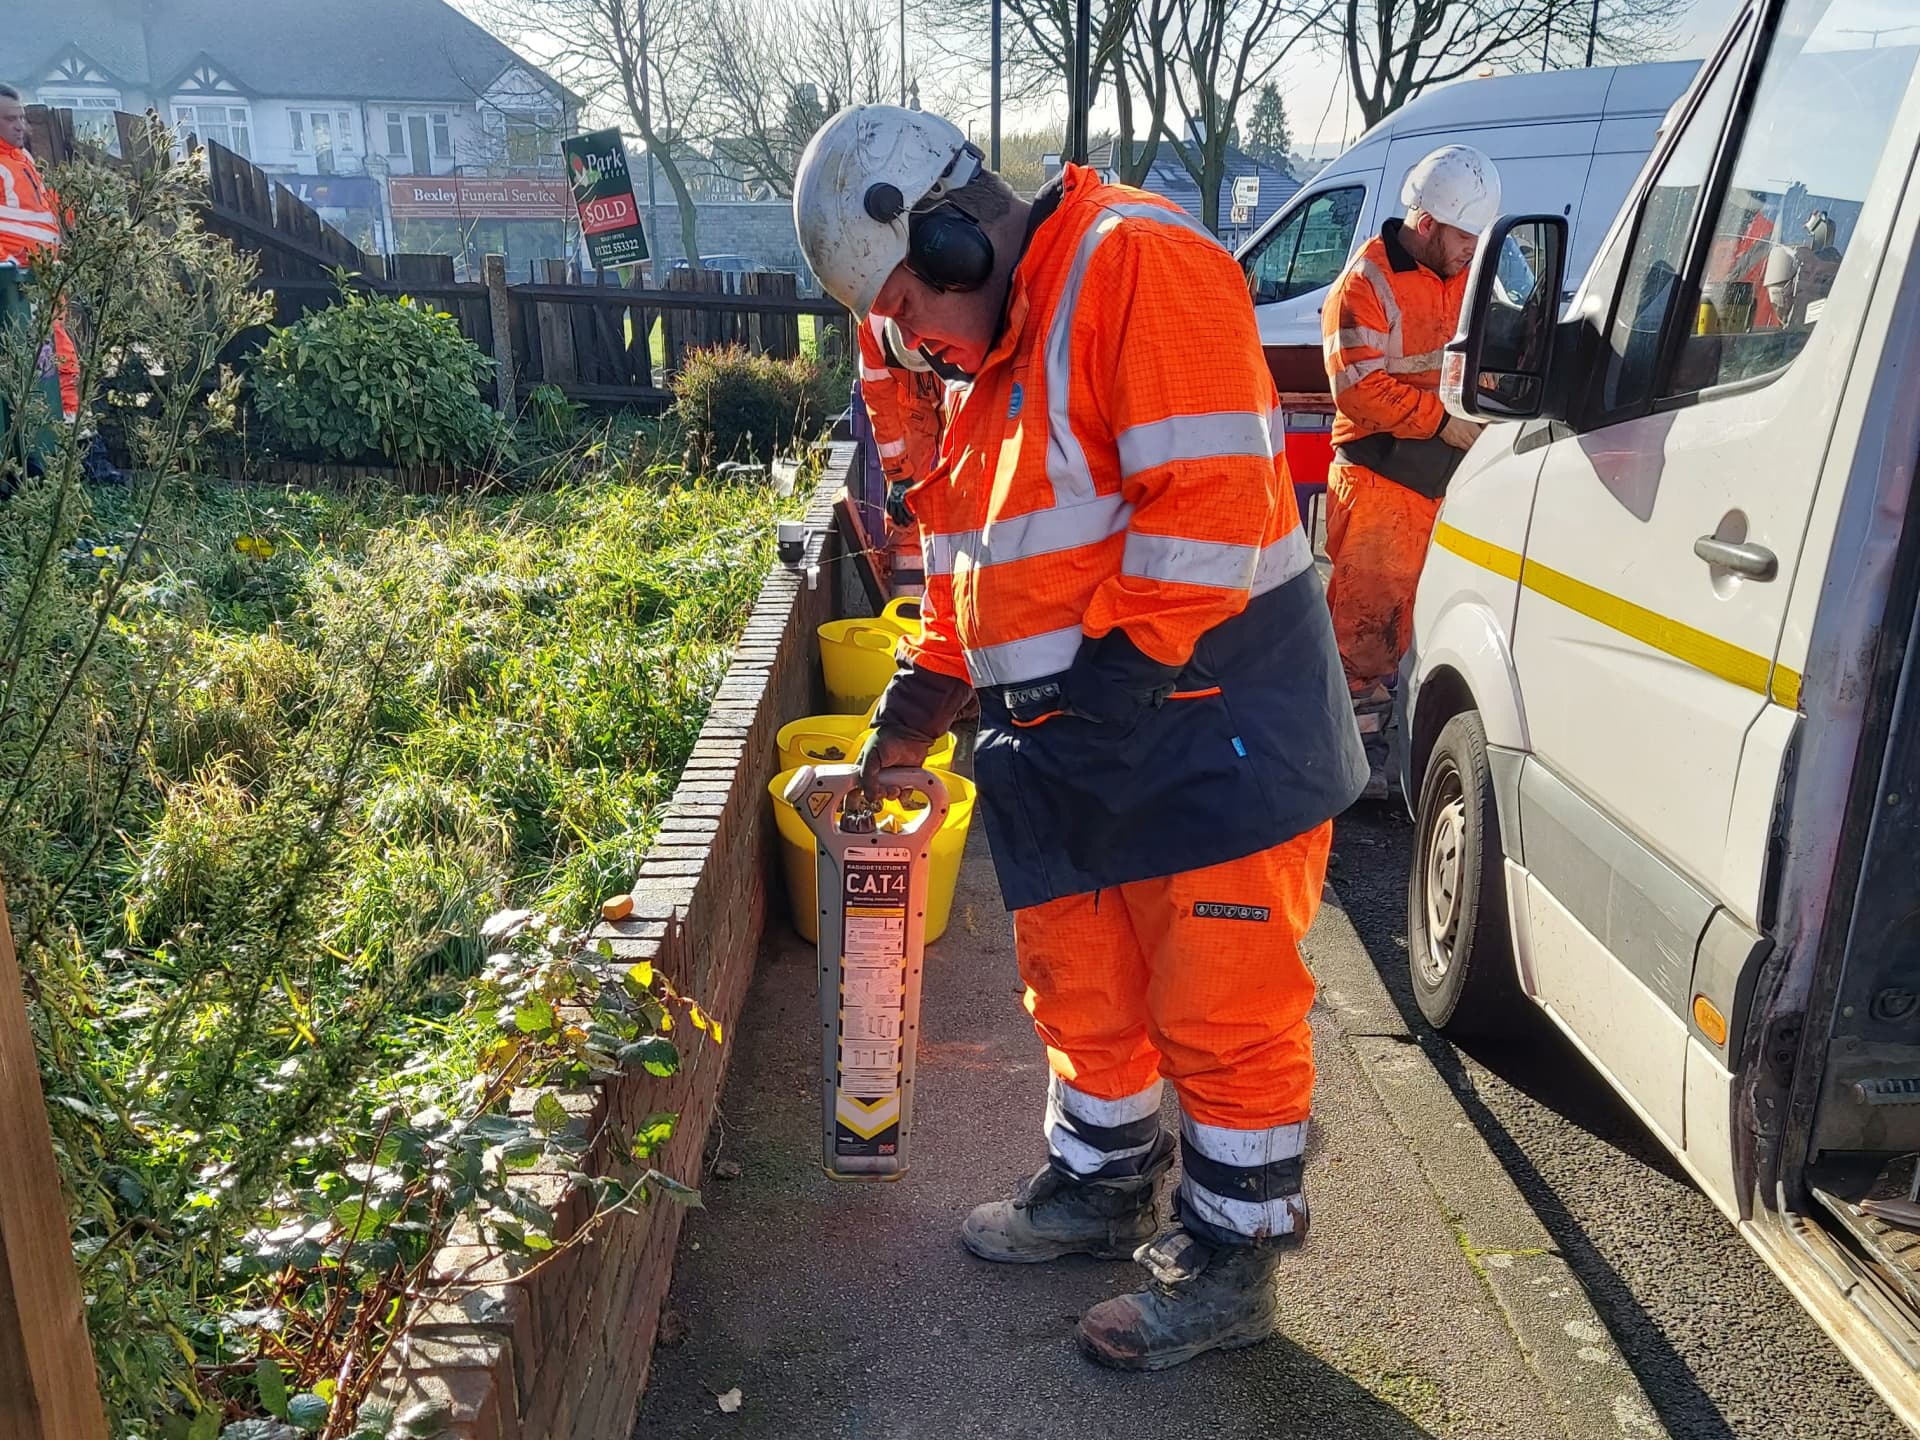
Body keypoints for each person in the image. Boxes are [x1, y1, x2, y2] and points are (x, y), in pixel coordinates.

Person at [793, 105, 1365, 1371]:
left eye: (911, 303)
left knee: (1224, 1010)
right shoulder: (988, 365)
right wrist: (907, 729)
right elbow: (972, 579)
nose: (916, 337)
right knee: (1083, 989)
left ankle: (1231, 1261)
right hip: (1079, 738)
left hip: (1210, 724)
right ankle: (1103, 1187)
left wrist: (1093, 700)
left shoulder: (1133, 263)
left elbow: (1212, 510)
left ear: (946, 233)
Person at [1321, 144, 1501, 798]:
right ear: (1427, 224)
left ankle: (1392, 752)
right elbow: (1357, 387)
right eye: (1462, 236)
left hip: (1444, 481)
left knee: (1425, 620)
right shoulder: (1363, 285)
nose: (1470, 249)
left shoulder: (1471, 276)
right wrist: (1441, 422)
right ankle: (1348, 765)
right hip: (1380, 480)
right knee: (1364, 631)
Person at [0, 85, 79, 422]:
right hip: (17, 280)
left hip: (42, 278)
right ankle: (64, 436)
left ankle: (69, 436)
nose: (20, 125)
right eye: (9, 118)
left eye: (21, 117)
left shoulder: (25, 161)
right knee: (51, 356)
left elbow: (44, 211)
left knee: (55, 354)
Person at [856, 312, 946, 595]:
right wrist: (897, 475)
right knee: (904, 507)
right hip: (907, 401)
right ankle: (907, 605)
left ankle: (956, 595)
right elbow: (880, 407)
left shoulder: (954, 312)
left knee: (964, 492)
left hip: (955, 383)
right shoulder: (873, 327)